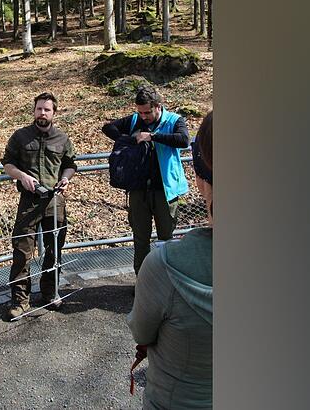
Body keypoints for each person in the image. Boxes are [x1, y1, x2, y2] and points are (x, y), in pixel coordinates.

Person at [127, 110, 213, 409]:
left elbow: (141, 331)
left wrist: (151, 136)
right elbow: (110, 128)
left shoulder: (165, 266)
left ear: (200, 178)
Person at [0, 92, 78, 320]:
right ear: (34, 110)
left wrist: (66, 178)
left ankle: (50, 291)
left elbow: (71, 164)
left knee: (55, 249)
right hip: (29, 201)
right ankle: (20, 300)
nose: (42, 113)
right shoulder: (20, 137)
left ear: (54, 112)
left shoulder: (62, 138)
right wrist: (21, 176)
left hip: (55, 201)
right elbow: (7, 163)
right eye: (39, 109)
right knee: (22, 251)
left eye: (47, 109)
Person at [102, 85, 190, 275]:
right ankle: (142, 281)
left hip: (165, 191)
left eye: (147, 112)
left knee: (165, 239)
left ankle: (166, 281)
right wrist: (129, 140)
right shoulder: (134, 119)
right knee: (140, 239)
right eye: (140, 112)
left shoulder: (174, 120)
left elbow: (184, 140)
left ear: (158, 106)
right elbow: (108, 127)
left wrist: (152, 136)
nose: (143, 116)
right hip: (138, 191)